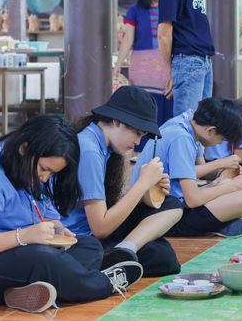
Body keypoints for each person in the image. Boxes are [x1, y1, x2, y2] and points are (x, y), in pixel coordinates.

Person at [0, 116, 141, 313]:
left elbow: (45, 211)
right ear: (25, 148)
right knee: (42, 258)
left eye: (52, 173)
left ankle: (21, 293)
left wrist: (58, 230)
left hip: (14, 255)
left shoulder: (28, 166)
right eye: (44, 169)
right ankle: (103, 283)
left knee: (88, 246)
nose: (45, 178)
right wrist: (24, 236)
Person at [63, 87, 183, 277]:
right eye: (137, 133)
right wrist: (142, 184)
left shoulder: (104, 147)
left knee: (172, 205)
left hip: (95, 233)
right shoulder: (89, 149)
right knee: (161, 256)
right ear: (117, 122)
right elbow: (100, 228)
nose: (137, 142)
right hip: (82, 239)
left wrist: (149, 192)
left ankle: (124, 250)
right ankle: (121, 254)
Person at [132, 97, 242, 238]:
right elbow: (193, 199)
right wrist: (234, 185)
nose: (219, 144)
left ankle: (218, 224)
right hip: (163, 215)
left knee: (228, 186)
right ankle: (214, 225)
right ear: (210, 130)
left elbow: (199, 170)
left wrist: (226, 175)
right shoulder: (181, 138)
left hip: (172, 203)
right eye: (222, 139)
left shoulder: (187, 122)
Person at [158, 0, 214, 116]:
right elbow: (164, 32)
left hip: (202, 61)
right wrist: (169, 70)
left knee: (203, 125)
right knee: (187, 123)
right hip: (189, 61)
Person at [113, 0, 173, 127]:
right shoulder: (135, 10)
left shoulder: (171, 9)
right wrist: (118, 65)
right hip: (142, 67)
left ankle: (161, 145)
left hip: (165, 64)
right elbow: (128, 39)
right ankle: (141, 147)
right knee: (144, 106)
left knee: (166, 103)